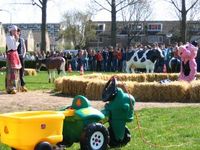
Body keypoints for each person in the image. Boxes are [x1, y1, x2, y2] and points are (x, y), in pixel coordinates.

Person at [5, 25, 22, 94]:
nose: (16, 32)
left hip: (15, 54)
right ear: (11, 31)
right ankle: (10, 87)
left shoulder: (14, 38)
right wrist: (16, 39)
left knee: (16, 71)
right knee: (10, 71)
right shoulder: (8, 37)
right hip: (11, 55)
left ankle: (16, 87)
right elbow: (12, 47)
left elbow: (16, 47)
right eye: (14, 30)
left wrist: (16, 39)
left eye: (16, 30)